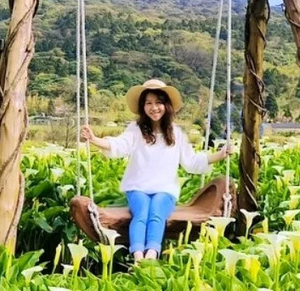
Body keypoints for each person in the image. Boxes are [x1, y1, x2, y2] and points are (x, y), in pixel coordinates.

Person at [81, 79, 233, 262]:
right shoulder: (136, 130)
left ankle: (152, 254)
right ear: (143, 106)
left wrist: (220, 154)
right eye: (148, 103)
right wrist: (95, 140)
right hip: (138, 188)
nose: (154, 108)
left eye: (159, 102)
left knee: (156, 214)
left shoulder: (176, 133)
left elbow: (191, 161)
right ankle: (138, 256)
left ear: (166, 105)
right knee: (141, 213)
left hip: (165, 190)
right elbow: (119, 145)